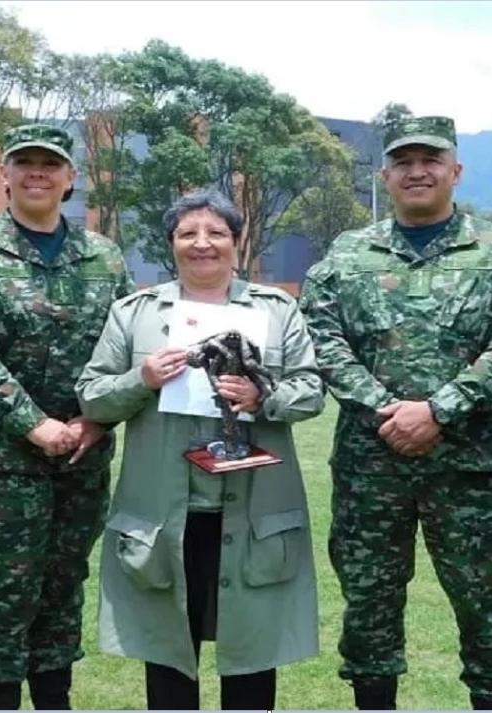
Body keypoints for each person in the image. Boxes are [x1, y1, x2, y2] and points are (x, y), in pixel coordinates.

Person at [299, 116, 492, 710]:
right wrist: (388, 408)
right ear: (383, 175)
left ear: (455, 171)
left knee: (483, 605)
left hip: (470, 467)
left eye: (430, 160)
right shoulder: (348, 253)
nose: (417, 171)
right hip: (371, 466)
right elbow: (322, 337)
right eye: (403, 162)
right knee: (369, 607)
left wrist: (440, 409)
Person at [76, 189, 323, 710]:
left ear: (237, 242)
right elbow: (93, 397)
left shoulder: (277, 311)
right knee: (169, 661)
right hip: (167, 514)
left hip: (253, 513)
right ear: (171, 244)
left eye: (217, 233)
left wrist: (265, 395)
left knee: (252, 663)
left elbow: (312, 390)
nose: (202, 244)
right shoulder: (136, 313)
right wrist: (140, 378)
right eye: (188, 234)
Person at [0, 124, 134, 710]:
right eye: (25, 163)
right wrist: (32, 423)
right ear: (6, 176)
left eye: (51, 163)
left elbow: (126, 348)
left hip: (81, 459)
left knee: (63, 588)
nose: (37, 173)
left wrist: (98, 420)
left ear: (70, 179)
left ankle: (54, 700)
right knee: (2, 594)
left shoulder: (103, 257)